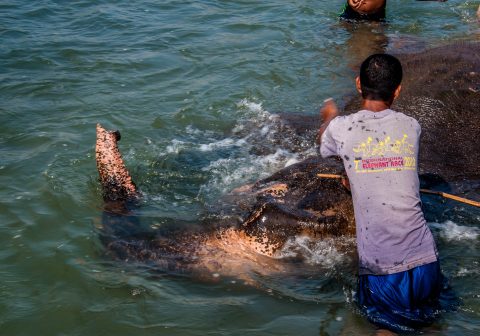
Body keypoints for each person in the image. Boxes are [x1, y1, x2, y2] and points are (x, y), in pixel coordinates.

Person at [318, 54, 444, 333]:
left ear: (358, 84)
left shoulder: (341, 127)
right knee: (431, 325)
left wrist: (329, 117)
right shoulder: (412, 126)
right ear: (398, 90)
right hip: (427, 258)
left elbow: (325, 146)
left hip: (383, 266)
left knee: (386, 329)